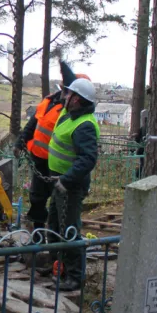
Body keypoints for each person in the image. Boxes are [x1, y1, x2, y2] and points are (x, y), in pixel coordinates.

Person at [15, 60, 89, 233]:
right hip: (39, 159)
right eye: (63, 88)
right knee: (37, 198)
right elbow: (33, 123)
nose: (64, 93)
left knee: (60, 205)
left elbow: (85, 153)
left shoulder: (72, 112)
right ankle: (38, 234)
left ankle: (57, 241)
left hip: (57, 165)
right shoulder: (48, 101)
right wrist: (21, 142)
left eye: (67, 90)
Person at [45, 77, 100, 291]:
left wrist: (66, 181)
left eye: (68, 94)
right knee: (56, 226)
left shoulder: (84, 125)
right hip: (58, 183)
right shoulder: (70, 116)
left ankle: (75, 277)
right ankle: (59, 268)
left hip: (69, 186)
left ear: (76, 99)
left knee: (69, 230)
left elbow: (87, 159)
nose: (65, 97)